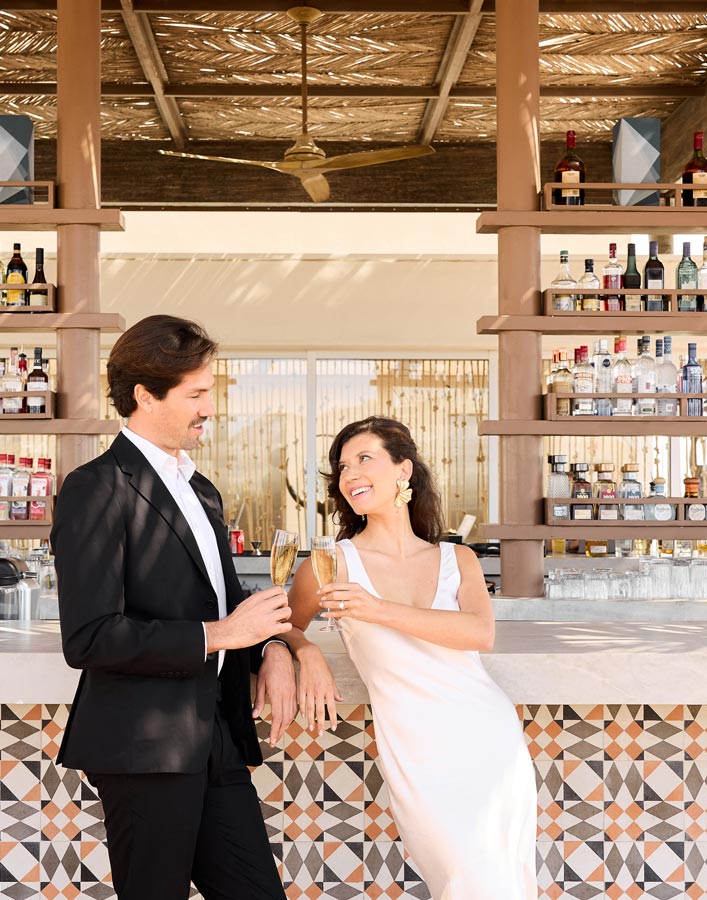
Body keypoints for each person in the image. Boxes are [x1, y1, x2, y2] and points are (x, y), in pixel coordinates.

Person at [51, 314, 297, 900]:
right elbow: (90, 637)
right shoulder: (96, 487)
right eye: (195, 394)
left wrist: (277, 646)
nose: (208, 407)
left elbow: (229, 600)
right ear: (144, 394)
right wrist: (220, 636)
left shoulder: (201, 488)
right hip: (145, 746)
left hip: (214, 737)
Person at [286, 416, 537, 900]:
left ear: (404, 470)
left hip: (487, 738)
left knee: (500, 882)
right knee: (465, 880)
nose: (350, 474)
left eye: (365, 459)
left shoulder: (456, 559)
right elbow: (283, 626)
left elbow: (479, 633)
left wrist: (378, 610)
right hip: (416, 749)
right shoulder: (331, 563)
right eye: (342, 467)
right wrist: (307, 650)